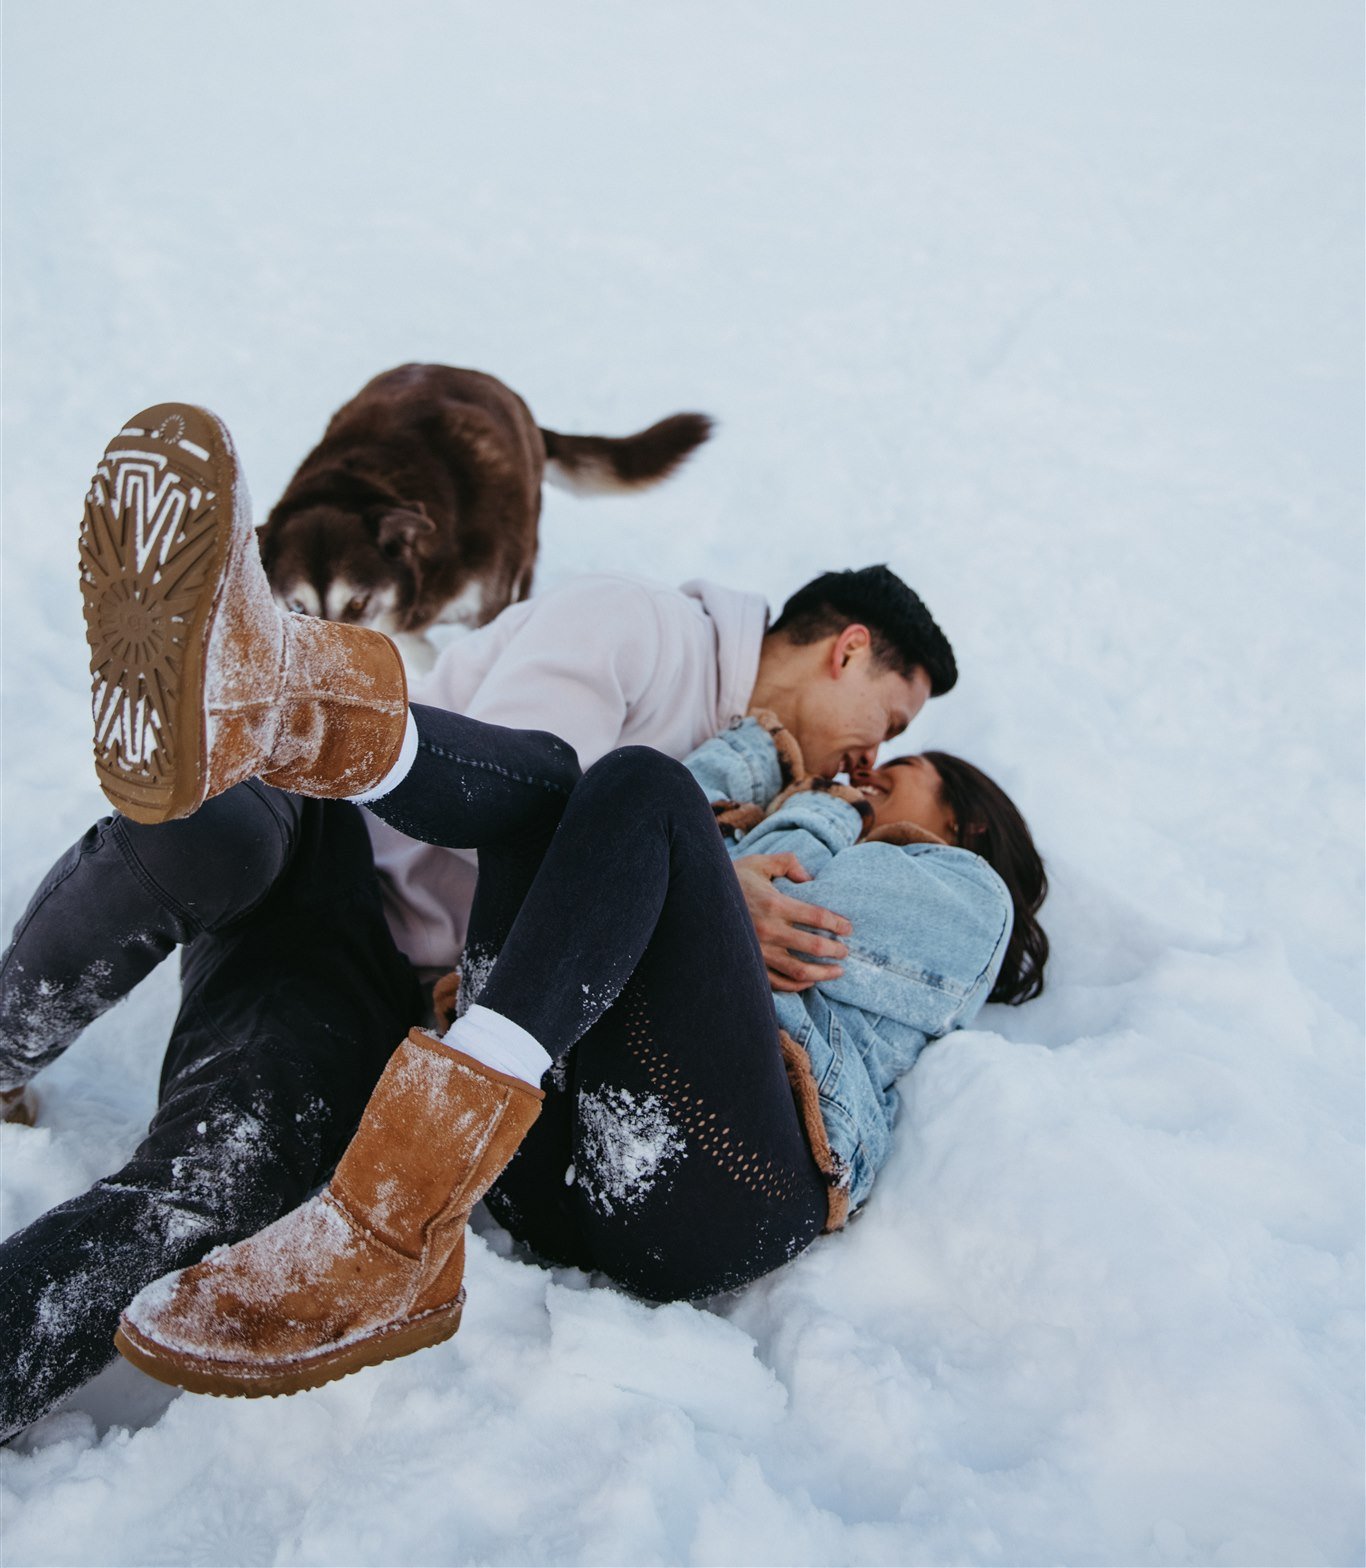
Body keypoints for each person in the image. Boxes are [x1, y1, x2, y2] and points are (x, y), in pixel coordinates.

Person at [0, 404, 958, 1438]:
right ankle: (266, 700)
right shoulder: (644, 628)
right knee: (236, 826)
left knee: (228, 1174)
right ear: (847, 649)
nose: (867, 757)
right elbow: (522, 785)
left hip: (373, 985)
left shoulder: (762, 786)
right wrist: (716, 885)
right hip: (326, 824)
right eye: (889, 721)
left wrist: (719, 904)